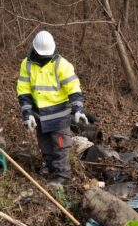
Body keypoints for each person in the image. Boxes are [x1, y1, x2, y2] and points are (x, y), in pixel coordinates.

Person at [16, 30, 88, 186]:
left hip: (59, 116)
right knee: (45, 146)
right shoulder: (26, 65)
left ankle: (63, 176)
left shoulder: (62, 65)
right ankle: (52, 171)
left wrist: (77, 109)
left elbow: (74, 89)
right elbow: (24, 91)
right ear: (34, 49)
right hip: (39, 116)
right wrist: (27, 114)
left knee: (61, 147)